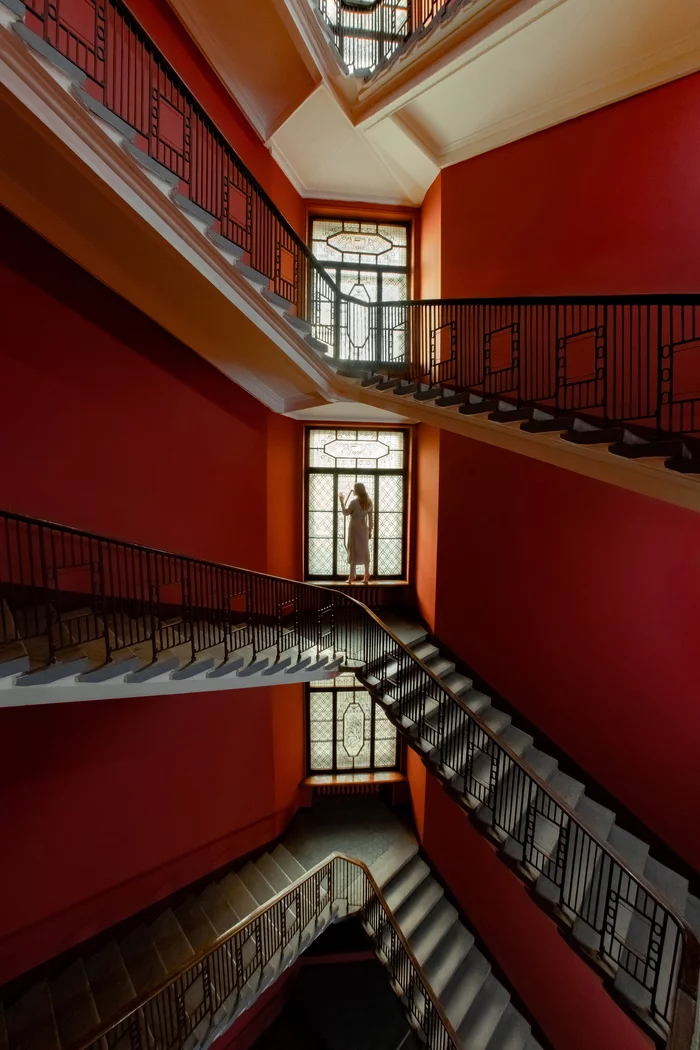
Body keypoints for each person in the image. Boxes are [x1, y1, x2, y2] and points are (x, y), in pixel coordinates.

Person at [339, 483, 373, 585]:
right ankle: (366, 574)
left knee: (353, 548)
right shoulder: (369, 502)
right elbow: (371, 519)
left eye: (354, 489)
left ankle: (351, 576)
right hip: (364, 528)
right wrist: (370, 531)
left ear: (357, 491)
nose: (353, 490)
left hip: (355, 527)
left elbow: (345, 513)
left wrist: (342, 502)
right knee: (365, 549)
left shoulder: (354, 502)